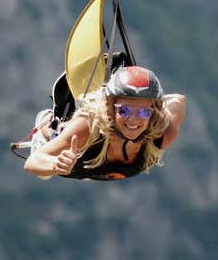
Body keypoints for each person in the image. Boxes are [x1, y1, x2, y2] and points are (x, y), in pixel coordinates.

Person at [24, 66, 187, 180]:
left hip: (101, 167)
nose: (134, 119)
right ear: (110, 108)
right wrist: (56, 164)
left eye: (144, 112)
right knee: (59, 138)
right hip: (77, 162)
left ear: (153, 113)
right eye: (125, 110)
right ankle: (46, 123)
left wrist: (150, 99)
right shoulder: (87, 127)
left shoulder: (163, 132)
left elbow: (179, 101)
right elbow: (32, 162)